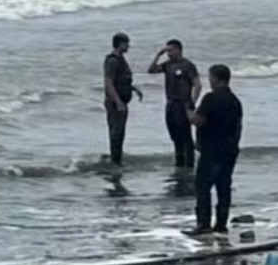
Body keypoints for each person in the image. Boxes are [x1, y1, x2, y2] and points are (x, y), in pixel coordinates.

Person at [189, 64, 243, 235]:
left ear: (216, 78)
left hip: (212, 150)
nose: (209, 80)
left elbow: (198, 121)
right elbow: (238, 126)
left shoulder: (211, 98)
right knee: (223, 187)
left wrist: (187, 112)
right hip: (229, 150)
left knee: (203, 186)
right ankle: (221, 223)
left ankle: (203, 223)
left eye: (210, 76)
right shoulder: (234, 100)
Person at [148, 40, 201, 169]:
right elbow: (151, 70)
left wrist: (192, 102)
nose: (168, 53)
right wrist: (158, 55)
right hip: (171, 104)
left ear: (178, 49)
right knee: (174, 135)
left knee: (185, 136)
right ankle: (179, 162)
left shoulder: (188, 65)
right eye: (167, 51)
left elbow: (197, 84)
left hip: (183, 104)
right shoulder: (168, 65)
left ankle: (189, 164)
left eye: (170, 50)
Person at [103, 33, 142, 165]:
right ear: (120, 44)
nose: (128, 46)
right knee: (116, 133)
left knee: (120, 133)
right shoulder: (113, 61)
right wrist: (118, 102)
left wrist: (133, 89)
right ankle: (115, 162)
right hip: (115, 103)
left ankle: (117, 159)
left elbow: (122, 80)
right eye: (126, 43)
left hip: (122, 101)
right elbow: (108, 83)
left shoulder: (121, 59)